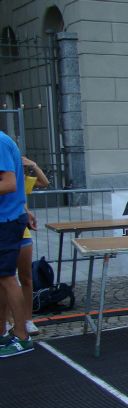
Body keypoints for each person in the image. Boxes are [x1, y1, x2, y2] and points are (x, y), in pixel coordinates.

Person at [0, 156, 49, 336]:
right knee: (6, 279)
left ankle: (26, 322)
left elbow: (44, 182)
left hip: (18, 231)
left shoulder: (18, 180)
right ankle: (7, 322)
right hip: (10, 226)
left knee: (24, 277)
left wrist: (33, 165)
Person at [0, 132, 32, 358]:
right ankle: (4, 332)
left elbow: (9, 183)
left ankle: (22, 335)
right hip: (8, 217)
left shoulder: (0, 143)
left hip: (6, 220)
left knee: (7, 278)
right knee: (2, 278)